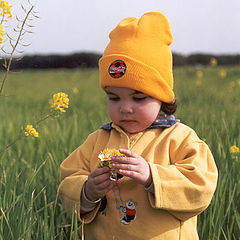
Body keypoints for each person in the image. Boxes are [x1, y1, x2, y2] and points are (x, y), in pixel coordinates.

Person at [58, 12, 218, 239]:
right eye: (114, 98)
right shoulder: (97, 140)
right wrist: (86, 191)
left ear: (162, 97)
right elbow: (67, 181)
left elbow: (201, 188)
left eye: (138, 98)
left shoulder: (180, 139)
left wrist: (153, 177)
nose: (125, 108)